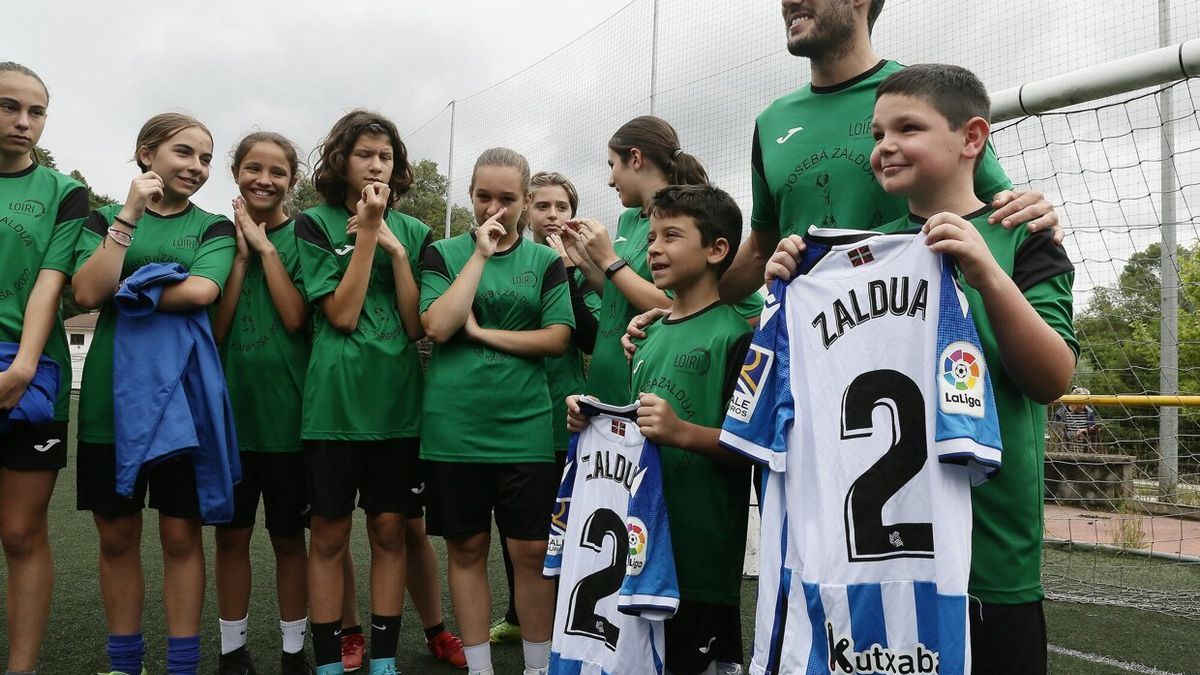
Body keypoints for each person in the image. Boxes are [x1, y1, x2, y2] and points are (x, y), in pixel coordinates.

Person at [765, 63, 1078, 675]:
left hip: (990, 558)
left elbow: (1052, 378)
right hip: (876, 560)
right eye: (878, 134)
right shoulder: (850, 255)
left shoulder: (1022, 236)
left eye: (907, 127)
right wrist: (786, 289)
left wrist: (986, 273)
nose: (885, 147)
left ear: (972, 138)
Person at [717, 0, 1060, 308]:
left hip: (918, 334)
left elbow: (998, 209)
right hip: (809, 348)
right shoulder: (771, 122)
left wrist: (1030, 214)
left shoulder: (927, 100)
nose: (789, 2)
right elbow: (762, 250)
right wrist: (682, 307)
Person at [73, 113, 237, 675]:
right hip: (109, 402)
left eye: (206, 159)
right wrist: (128, 217)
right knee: (116, 537)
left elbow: (202, 291)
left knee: (180, 536)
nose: (197, 167)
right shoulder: (103, 218)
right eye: (184, 153)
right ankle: (125, 664)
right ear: (147, 154)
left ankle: (182, 666)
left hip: (183, 404)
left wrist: (128, 287)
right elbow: (88, 290)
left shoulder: (215, 226)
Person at [568, 184, 752, 675]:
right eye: (651, 237)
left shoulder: (738, 335)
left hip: (700, 561)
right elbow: (636, 434)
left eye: (672, 235)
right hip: (641, 553)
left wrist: (683, 432)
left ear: (717, 249)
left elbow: (753, 445)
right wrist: (591, 417)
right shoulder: (647, 336)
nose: (653, 247)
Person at [419, 148, 575, 675]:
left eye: (508, 199)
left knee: (531, 554)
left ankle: (537, 667)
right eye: (484, 196)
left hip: (525, 430)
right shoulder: (443, 254)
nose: (494, 208)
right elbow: (438, 326)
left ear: (525, 200)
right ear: (470, 195)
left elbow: (557, 339)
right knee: (465, 550)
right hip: (453, 430)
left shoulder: (546, 262)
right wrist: (480, 255)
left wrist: (484, 333)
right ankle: (481, 668)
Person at [294, 111, 429, 675]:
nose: (376, 165)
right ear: (341, 161)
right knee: (327, 533)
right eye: (365, 154)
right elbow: (343, 315)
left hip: (397, 405)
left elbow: (414, 323)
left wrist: (395, 248)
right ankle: (328, 660)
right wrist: (369, 232)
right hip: (334, 405)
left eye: (386, 156)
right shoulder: (314, 223)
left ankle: (384, 660)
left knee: (389, 530)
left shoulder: (418, 233)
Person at [563, 116, 760, 409]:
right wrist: (586, 263)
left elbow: (690, 306)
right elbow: (622, 295)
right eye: (654, 237)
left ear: (635, 158)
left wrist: (609, 260)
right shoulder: (628, 220)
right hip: (604, 387)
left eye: (612, 165)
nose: (609, 179)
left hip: (648, 389)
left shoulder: (690, 226)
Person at [210, 132, 314, 675]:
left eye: (278, 171)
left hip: (290, 420)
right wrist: (242, 258)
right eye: (254, 168)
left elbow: (297, 319)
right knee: (231, 536)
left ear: (291, 181)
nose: (265, 180)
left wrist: (266, 248)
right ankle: (232, 649)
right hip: (231, 422)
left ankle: (294, 650)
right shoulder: (216, 239)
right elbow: (218, 330)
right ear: (236, 172)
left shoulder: (304, 235)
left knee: (288, 537)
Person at [0, 61, 88, 674]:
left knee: (20, 534)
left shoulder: (64, 192)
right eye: (8, 106)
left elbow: (51, 285)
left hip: (32, 379)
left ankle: (22, 668)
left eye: (35, 111)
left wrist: (23, 369)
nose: (22, 122)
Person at [490, 171, 599, 645]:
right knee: (515, 525)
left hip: (563, 415)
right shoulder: (508, 262)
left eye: (562, 207)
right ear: (527, 208)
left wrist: (570, 272)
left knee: (564, 524)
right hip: (513, 416)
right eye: (544, 206)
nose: (553, 215)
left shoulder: (586, 268)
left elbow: (590, 336)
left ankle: (565, 618)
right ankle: (518, 612)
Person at [1053, 386, 1101, 452]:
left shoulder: (1089, 413)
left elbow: (1093, 435)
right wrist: (1074, 434)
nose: (1084, 406)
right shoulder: (1060, 414)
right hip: (1065, 451)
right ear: (1073, 400)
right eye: (1082, 403)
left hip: (1085, 451)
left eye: (1086, 403)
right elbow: (1057, 435)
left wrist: (1089, 431)